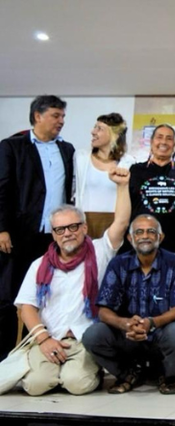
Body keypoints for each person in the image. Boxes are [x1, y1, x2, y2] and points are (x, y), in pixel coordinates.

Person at [12, 168, 131, 395]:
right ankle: (51, 370)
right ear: (54, 234)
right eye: (60, 229)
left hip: (82, 339)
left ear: (84, 227)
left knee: (76, 384)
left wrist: (122, 186)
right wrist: (44, 339)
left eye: (73, 227)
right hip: (48, 337)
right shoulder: (39, 265)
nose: (67, 233)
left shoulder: (100, 251)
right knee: (36, 386)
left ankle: (78, 370)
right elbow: (27, 307)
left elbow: (122, 222)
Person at [82, 214, 175, 395]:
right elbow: (103, 311)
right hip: (128, 335)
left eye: (151, 232)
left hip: (160, 332)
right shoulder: (118, 264)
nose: (145, 236)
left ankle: (167, 375)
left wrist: (151, 322)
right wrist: (125, 324)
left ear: (160, 237)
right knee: (93, 335)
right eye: (139, 232)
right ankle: (127, 374)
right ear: (130, 238)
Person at [0, 95, 75, 360]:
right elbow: (3, 189)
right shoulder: (12, 147)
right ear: (37, 116)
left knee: (47, 296)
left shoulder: (67, 150)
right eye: (56, 116)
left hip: (53, 239)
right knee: (9, 298)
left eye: (63, 117)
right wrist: (2, 228)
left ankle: (40, 354)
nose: (61, 122)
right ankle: (5, 358)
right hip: (18, 236)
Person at [128, 124, 175, 257]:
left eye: (169, 138)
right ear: (151, 142)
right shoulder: (136, 170)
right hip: (142, 242)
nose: (163, 142)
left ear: (174, 144)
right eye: (159, 137)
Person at [74, 113, 137, 238]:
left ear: (115, 134)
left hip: (116, 222)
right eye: (94, 127)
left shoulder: (129, 162)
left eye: (99, 129)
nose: (93, 132)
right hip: (85, 222)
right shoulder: (80, 157)